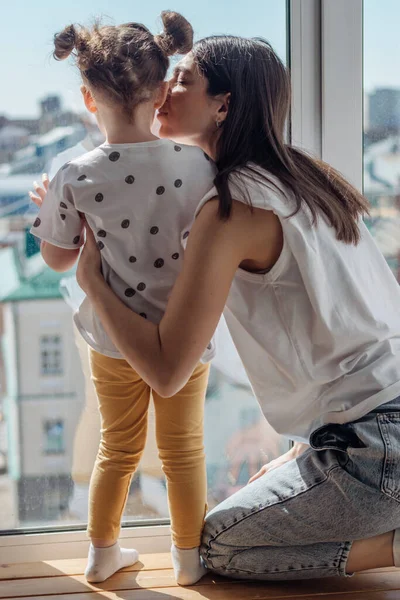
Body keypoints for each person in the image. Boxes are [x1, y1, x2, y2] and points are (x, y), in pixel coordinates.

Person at [73, 34, 400, 581]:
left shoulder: (233, 208)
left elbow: (165, 372)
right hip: (370, 431)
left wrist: (94, 283)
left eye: (182, 81)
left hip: (375, 450)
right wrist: (303, 452)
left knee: (219, 546)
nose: (163, 91)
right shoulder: (307, 180)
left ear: (223, 105)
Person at [29, 12, 217, 586]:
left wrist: (49, 213)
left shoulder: (75, 174)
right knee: (184, 449)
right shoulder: (200, 165)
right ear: (161, 92)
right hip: (184, 336)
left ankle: (101, 553)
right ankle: (187, 559)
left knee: (117, 446)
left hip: (113, 340)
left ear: (89, 99)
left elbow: (60, 260)